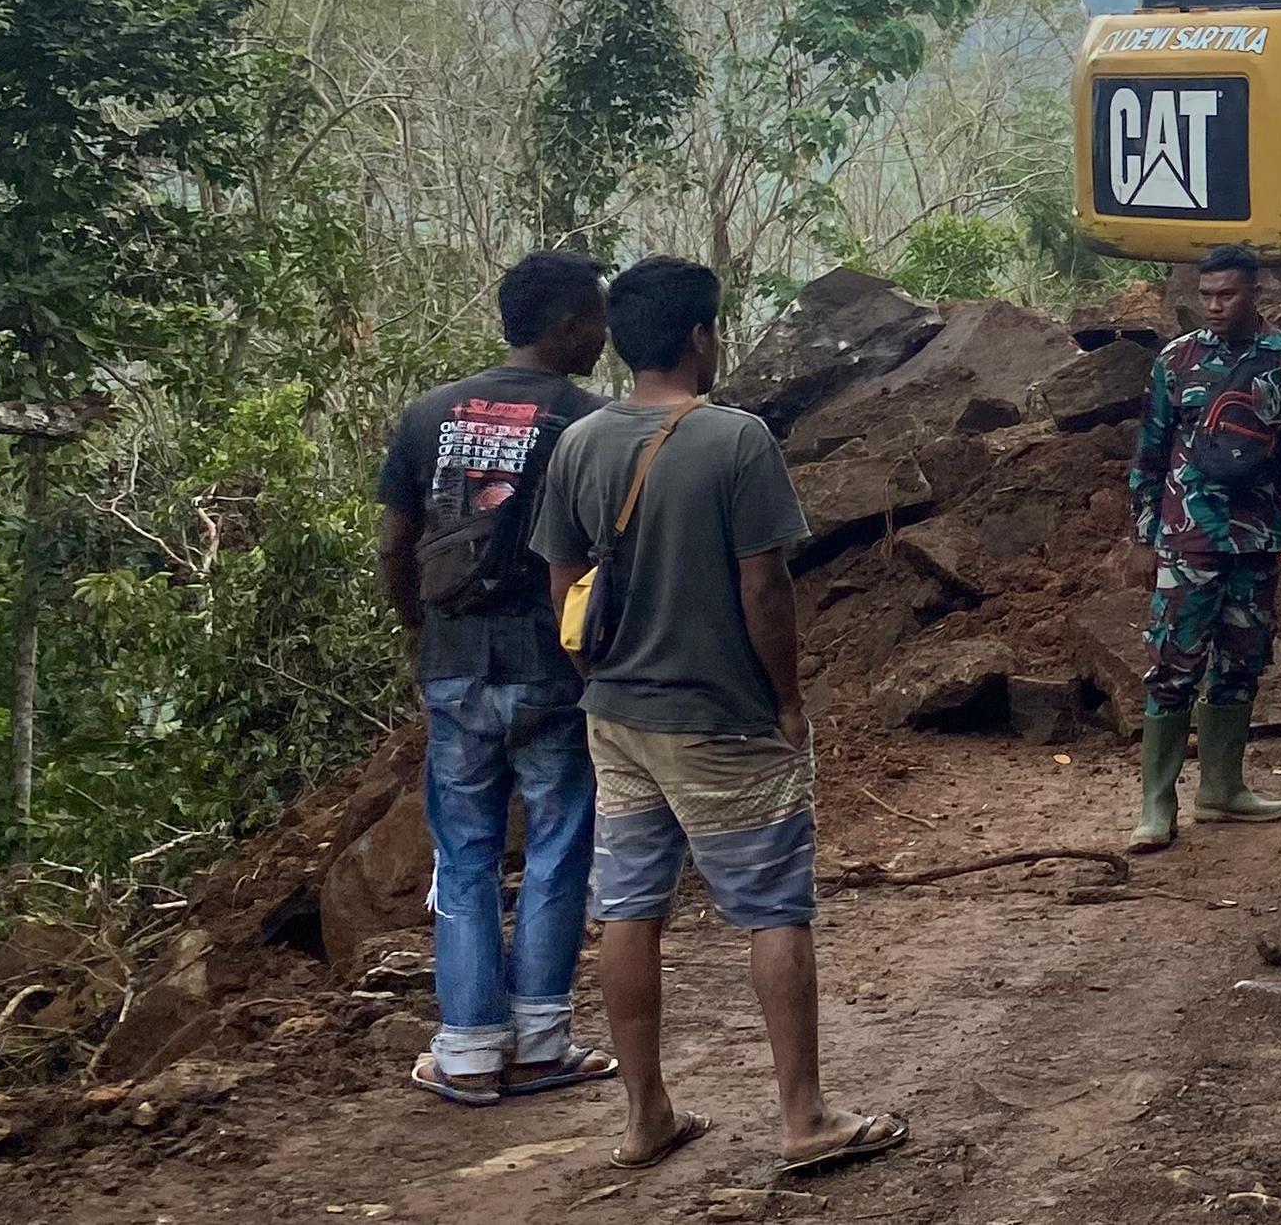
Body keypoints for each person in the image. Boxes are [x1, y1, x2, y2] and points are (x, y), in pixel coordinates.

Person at [529, 256, 906, 1181]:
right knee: (773, 907)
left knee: (628, 906)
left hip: (615, 716)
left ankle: (645, 1114)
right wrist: (787, 700)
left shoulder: (579, 442)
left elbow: (562, 582)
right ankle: (804, 1116)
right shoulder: (736, 441)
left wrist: (594, 670)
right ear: (701, 338)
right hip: (721, 721)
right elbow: (764, 587)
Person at [377, 250, 617, 1107]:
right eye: (594, 317)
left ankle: (470, 1051)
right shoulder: (591, 424)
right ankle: (541, 1042)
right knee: (557, 848)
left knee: (466, 855)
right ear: (564, 325)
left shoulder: (427, 416)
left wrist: (420, 631)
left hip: (453, 665)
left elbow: (393, 545)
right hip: (551, 666)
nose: (603, 333)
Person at [1126, 244, 1281, 848]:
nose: (1215, 306)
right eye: (1207, 295)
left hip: (1258, 535)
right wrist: (1143, 535)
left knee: (1243, 660)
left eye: (1228, 295)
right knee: (1172, 663)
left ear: (1256, 295)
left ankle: (1222, 789)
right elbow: (1149, 448)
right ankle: (1155, 804)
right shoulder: (1176, 360)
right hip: (1187, 536)